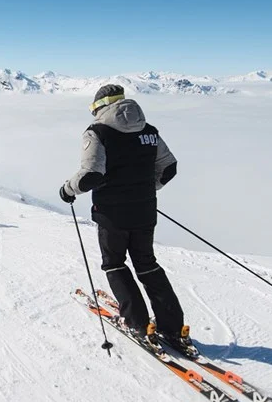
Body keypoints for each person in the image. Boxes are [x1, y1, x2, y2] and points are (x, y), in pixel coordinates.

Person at [59, 84, 190, 352]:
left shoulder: (98, 132)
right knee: (147, 264)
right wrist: (145, 187)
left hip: (112, 214)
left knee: (115, 264)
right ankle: (172, 327)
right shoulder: (149, 131)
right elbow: (169, 167)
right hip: (145, 210)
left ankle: (138, 323)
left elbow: (91, 175)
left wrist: (66, 189)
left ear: (99, 106)